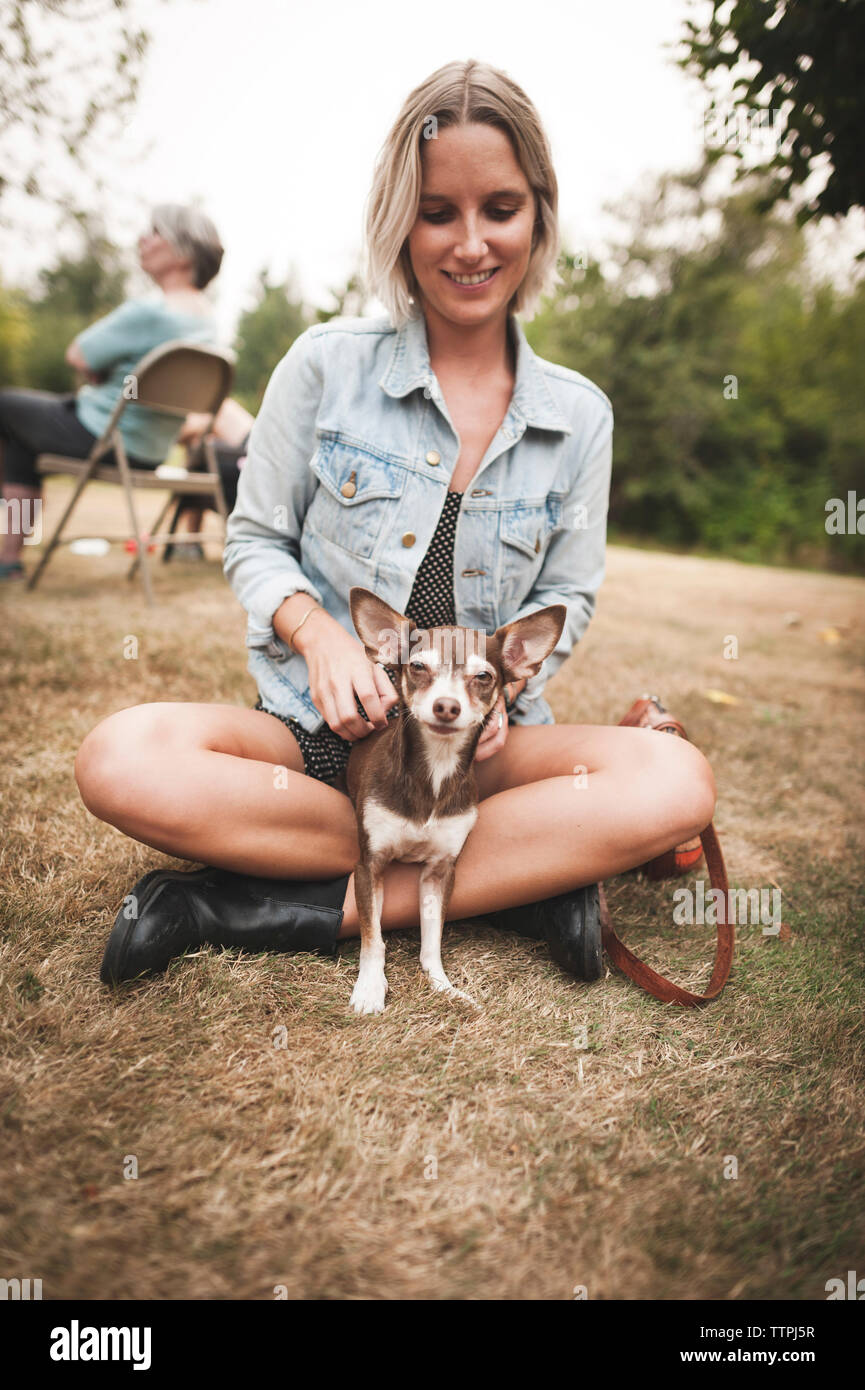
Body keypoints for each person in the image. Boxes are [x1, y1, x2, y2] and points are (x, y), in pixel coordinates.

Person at [74, 60, 716, 987]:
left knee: (674, 783)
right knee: (121, 758)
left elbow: (565, 593)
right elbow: (253, 539)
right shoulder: (323, 365)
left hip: (472, 753)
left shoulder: (580, 415)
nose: (468, 244)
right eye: (436, 211)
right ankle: (528, 882)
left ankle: (241, 905)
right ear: (397, 220)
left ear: (536, 214)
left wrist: (492, 708)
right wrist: (318, 636)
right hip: (311, 743)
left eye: (498, 208)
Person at [0, 204, 224, 579]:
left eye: (155, 232)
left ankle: (8, 551)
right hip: (150, 451)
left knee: (5, 405)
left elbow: (78, 355)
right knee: (20, 438)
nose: (143, 239)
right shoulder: (208, 325)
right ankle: (8, 558)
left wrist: (98, 371)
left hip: (102, 436)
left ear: (183, 253)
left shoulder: (151, 312)